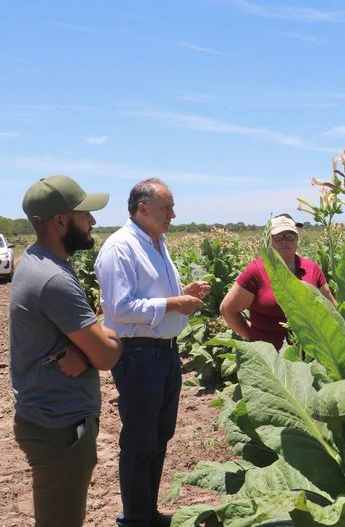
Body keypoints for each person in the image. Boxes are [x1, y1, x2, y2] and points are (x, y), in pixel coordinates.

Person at [94, 178, 210, 527]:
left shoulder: (157, 242)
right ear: (142, 209)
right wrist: (175, 302)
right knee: (140, 439)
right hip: (139, 354)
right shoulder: (120, 247)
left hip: (163, 353)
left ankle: (146, 512)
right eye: (167, 208)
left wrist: (182, 291)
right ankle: (135, 518)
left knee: (159, 435)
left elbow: (152, 293)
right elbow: (121, 306)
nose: (173, 214)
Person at [10, 175, 122, 527]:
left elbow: (80, 339)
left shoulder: (35, 260)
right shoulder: (54, 279)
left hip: (46, 418)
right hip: (59, 427)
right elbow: (107, 355)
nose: (92, 221)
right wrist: (117, 327)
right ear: (60, 221)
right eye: (85, 213)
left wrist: (84, 348)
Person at [220, 214, 336, 347]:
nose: (285, 241)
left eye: (290, 236)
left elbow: (331, 309)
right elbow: (227, 309)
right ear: (270, 240)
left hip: (311, 354)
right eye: (278, 237)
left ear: (297, 239)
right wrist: (252, 337)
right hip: (269, 358)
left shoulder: (312, 269)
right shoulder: (257, 270)